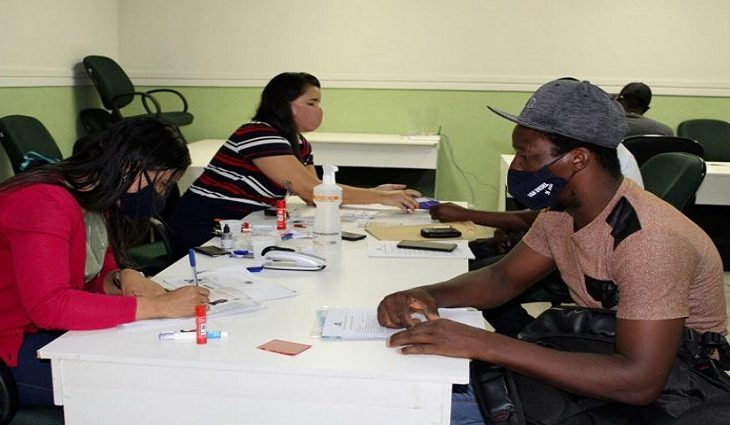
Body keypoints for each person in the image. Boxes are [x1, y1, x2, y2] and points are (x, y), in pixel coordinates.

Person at [377, 79, 728, 424]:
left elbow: (639, 382)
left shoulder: (649, 240)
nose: (516, 167)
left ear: (577, 159)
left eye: (526, 156)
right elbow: (502, 278)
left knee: (422, 409)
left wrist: (484, 344)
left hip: (673, 392)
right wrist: (426, 294)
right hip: (600, 358)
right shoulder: (561, 212)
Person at [0, 117, 210, 408]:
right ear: (128, 165)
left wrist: (123, 277)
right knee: (149, 388)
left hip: (42, 333)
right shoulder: (44, 202)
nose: (160, 195)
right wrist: (159, 306)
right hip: (10, 347)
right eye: (160, 183)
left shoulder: (97, 198)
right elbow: (49, 306)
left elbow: (94, 273)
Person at [169, 72, 421, 258]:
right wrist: (380, 198)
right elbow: (313, 191)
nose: (318, 110)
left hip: (241, 226)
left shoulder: (300, 144)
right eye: (311, 103)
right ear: (283, 104)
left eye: (319, 103)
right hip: (206, 228)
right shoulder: (258, 133)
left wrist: (375, 192)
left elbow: (316, 195)